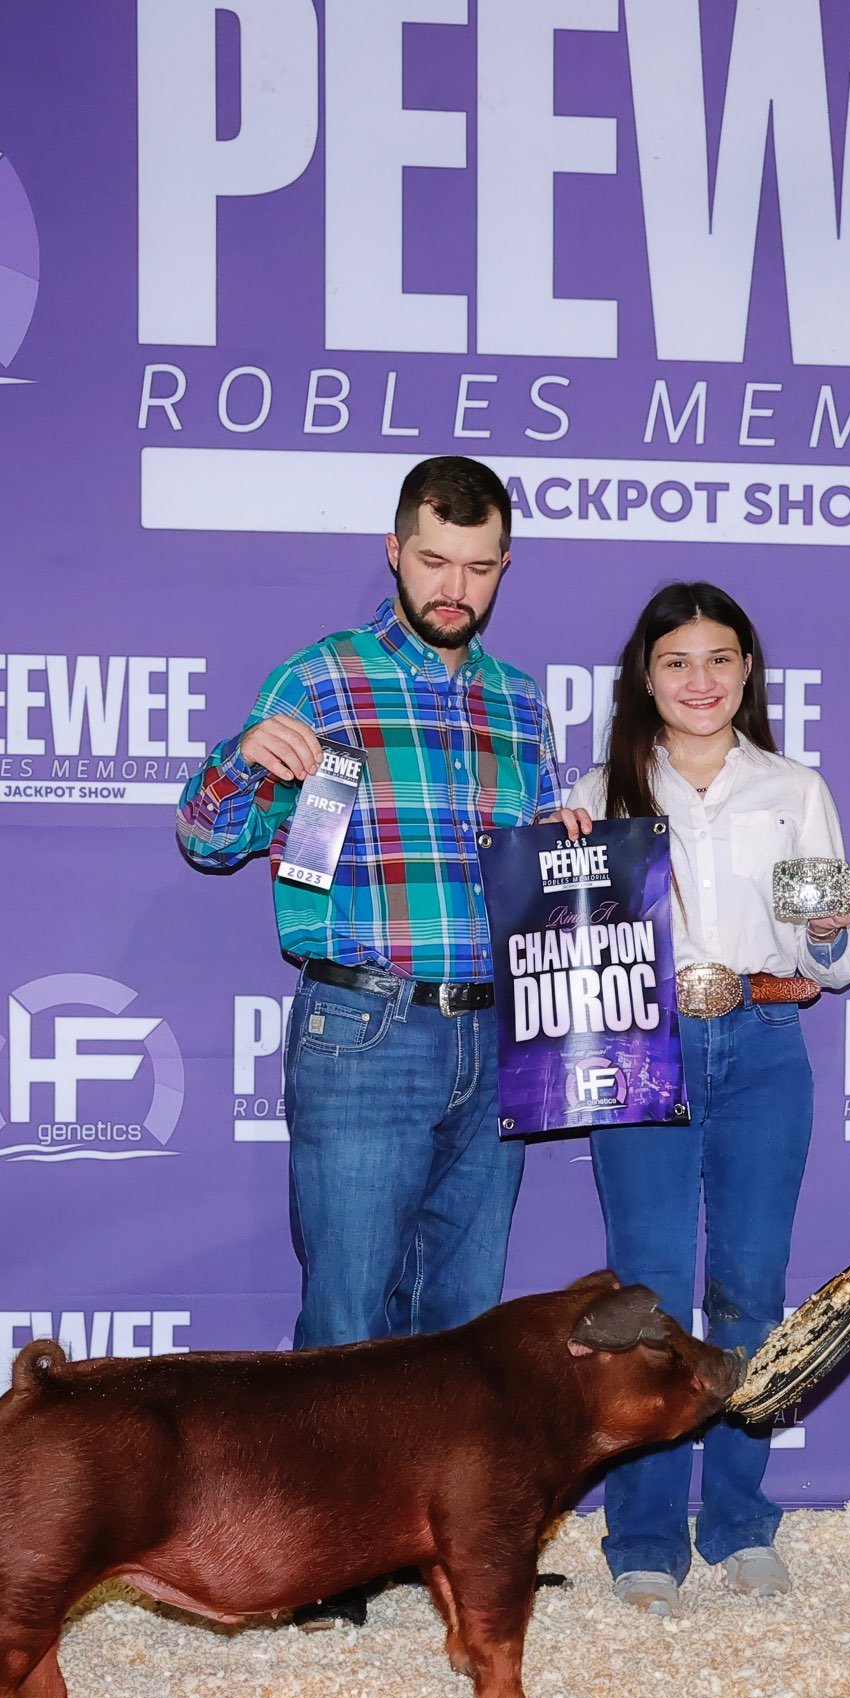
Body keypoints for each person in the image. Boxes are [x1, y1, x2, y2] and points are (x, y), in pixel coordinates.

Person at [176, 454, 557, 1362]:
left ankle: (434, 1515)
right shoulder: (317, 680)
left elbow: (539, 869)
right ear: (394, 552)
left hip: (498, 1029)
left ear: (505, 565)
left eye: (477, 565)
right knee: (347, 1333)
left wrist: (569, 839)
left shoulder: (522, 703)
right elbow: (206, 839)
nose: (453, 586)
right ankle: (331, 1515)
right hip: (365, 1025)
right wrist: (241, 757)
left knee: (467, 1342)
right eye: (433, 560)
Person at [552, 581, 850, 1616]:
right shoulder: (594, 790)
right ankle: (641, 1531)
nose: (700, 679)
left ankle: (735, 1515)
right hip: (642, 1046)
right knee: (642, 1293)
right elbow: (563, 947)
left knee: (748, 1286)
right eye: (677, 661)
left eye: (721, 659)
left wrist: (826, 930)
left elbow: (835, 957)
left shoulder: (791, 786)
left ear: (747, 672)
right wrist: (562, 862)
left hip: (765, 1038)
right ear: (644, 675)